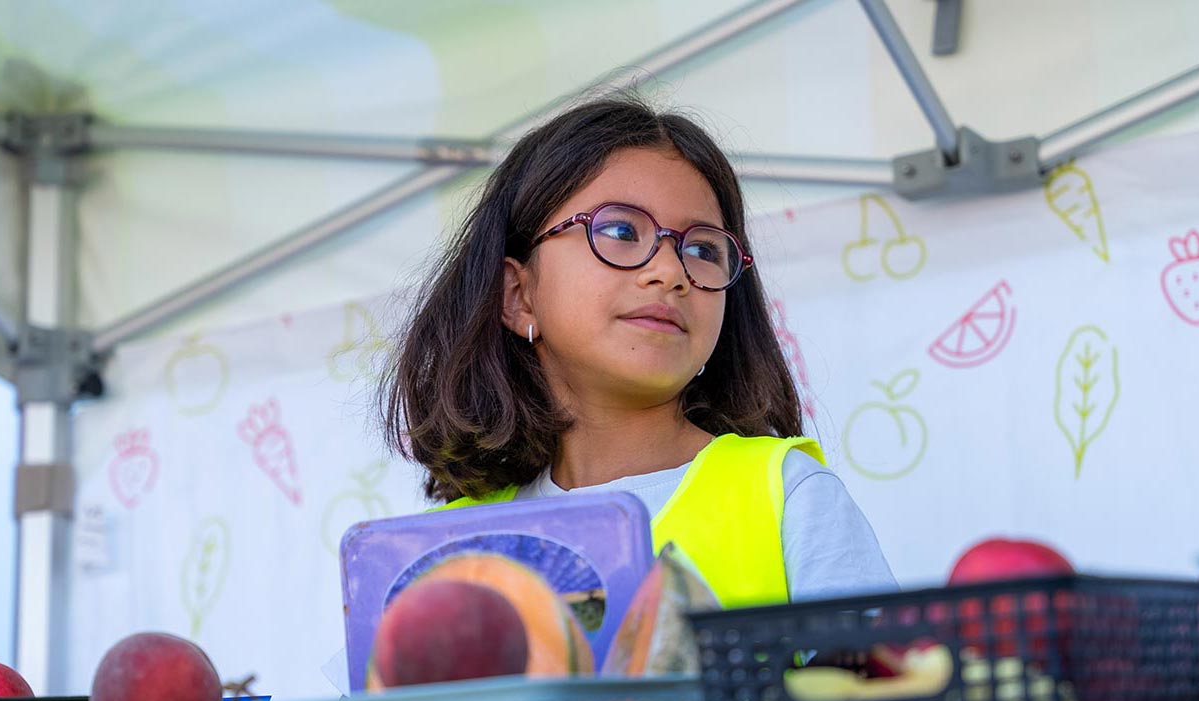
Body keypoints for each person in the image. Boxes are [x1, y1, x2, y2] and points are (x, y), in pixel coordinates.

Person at [380, 95, 896, 607]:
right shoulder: (441, 552)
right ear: (518, 296)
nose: (670, 272)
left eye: (702, 250)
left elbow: (881, 684)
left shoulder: (788, 494)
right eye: (621, 231)